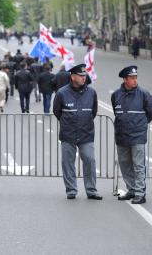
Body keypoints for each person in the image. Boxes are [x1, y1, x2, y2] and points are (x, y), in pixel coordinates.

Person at [53, 64, 102, 200]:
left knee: (90, 160)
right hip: (68, 134)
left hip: (86, 133)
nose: (83, 78)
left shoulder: (91, 93)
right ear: (73, 77)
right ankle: (71, 190)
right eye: (80, 76)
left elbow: (93, 111)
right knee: (68, 163)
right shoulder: (62, 93)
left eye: (84, 75)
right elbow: (57, 112)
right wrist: (67, 123)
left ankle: (91, 190)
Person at [111, 65, 152, 204]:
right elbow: (116, 113)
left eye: (136, 78)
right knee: (125, 165)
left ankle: (140, 193)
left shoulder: (144, 94)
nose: (135, 80)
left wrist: (140, 125)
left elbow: (150, 113)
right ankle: (131, 189)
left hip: (137, 136)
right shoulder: (116, 95)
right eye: (132, 78)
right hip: (121, 135)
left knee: (138, 165)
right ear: (125, 79)